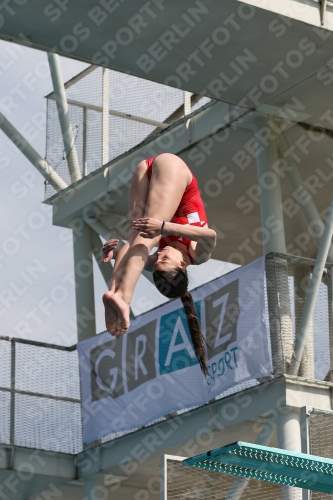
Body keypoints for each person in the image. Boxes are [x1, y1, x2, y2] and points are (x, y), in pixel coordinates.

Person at [101, 153, 216, 375]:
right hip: (173, 169)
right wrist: (164, 227)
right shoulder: (196, 255)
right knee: (148, 235)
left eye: (157, 262)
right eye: (165, 260)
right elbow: (209, 236)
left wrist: (113, 253)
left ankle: (114, 291)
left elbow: (133, 250)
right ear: (182, 264)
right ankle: (123, 299)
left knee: (136, 236)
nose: (160, 255)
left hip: (144, 169)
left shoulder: (158, 253)